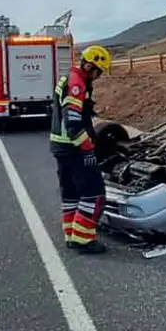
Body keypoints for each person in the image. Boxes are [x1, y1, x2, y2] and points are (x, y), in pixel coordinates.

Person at [50, 45, 113, 254]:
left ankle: (72, 236)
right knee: (94, 194)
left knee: (71, 195)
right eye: (98, 71)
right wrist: (87, 150)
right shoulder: (77, 84)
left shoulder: (69, 78)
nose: (98, 76)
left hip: (61, 148)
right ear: (89, 66)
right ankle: (84, 240)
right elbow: (73, 122)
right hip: (74, 148)